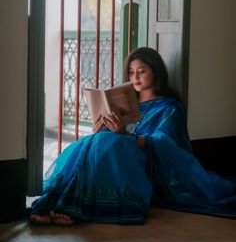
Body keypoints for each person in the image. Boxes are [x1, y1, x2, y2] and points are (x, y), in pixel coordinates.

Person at [30, 47, 236, 225]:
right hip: (118, 150)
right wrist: (101, 125)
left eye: (141, 71)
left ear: (155, 72)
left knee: (107, 142)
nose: (135, 77)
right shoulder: (125, 104)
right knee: (90, 141)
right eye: (131, 72)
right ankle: (56, 204)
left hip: (146, 161)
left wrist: (125, 135)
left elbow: (167, 145)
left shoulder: (169, 107)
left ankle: (72, 209)